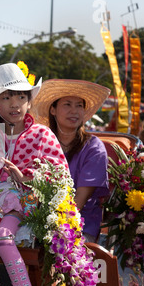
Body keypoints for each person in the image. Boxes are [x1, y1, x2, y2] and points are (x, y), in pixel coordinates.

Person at [0, 64, 68, 286]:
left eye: (20, 96)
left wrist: (25, 178)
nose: (14, 103)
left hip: (27, 202)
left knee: (1, 236)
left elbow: (59, 174)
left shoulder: (42, 134)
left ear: (29, 102)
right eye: (6, 97)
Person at [30, 79, 111, 242]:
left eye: (79, 106)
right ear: (53, 110)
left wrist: (54, 227)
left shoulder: (94, 148)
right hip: (35, 221)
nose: (74, 111)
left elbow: (80, 198)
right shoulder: (38, 142)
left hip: (78, 223)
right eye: (67, 104)